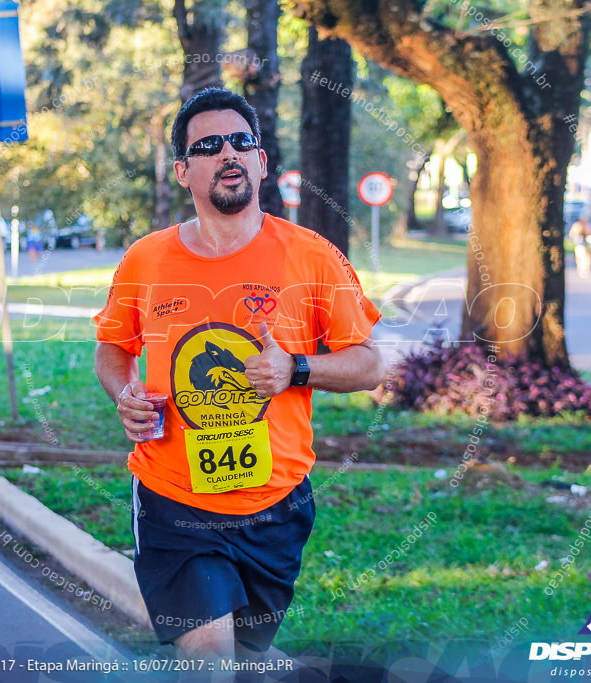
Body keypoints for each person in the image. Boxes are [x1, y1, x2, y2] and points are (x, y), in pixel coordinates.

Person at [94, 88, 384, 663]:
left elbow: (370, 364)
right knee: (208, 659)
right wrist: (124, 392)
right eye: (209, 145)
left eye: (241, 141)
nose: (228, 152)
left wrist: (298, 368)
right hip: (174, 501)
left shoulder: (313, 256)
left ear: (261, 161)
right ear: (183, 171)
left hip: (275, 508)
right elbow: (112, 348)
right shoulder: (145, 260)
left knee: (248, 663)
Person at [569, 214, 591, 279]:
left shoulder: (585, 225)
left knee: (584, 257)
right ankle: (582, 269)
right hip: (580, 244)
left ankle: (583, 269)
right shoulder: (578, 225)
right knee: (582, 257)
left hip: (582, 244)